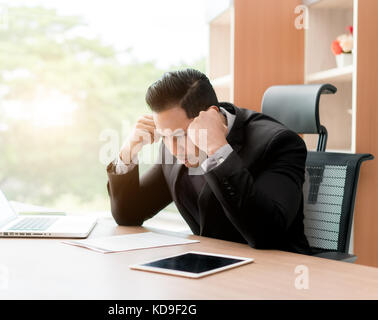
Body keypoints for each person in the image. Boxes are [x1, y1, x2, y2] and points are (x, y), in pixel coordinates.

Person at [106, 68, 312, 255]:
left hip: (274, 275)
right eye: (165, 136)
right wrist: (128, 150)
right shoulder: (173, 145)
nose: (175, 149)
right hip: (208, 271)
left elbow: (266, 235)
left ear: (211, 116)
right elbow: (129, 215)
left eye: (181, 135)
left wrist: (218, 151)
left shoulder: (279, 143)